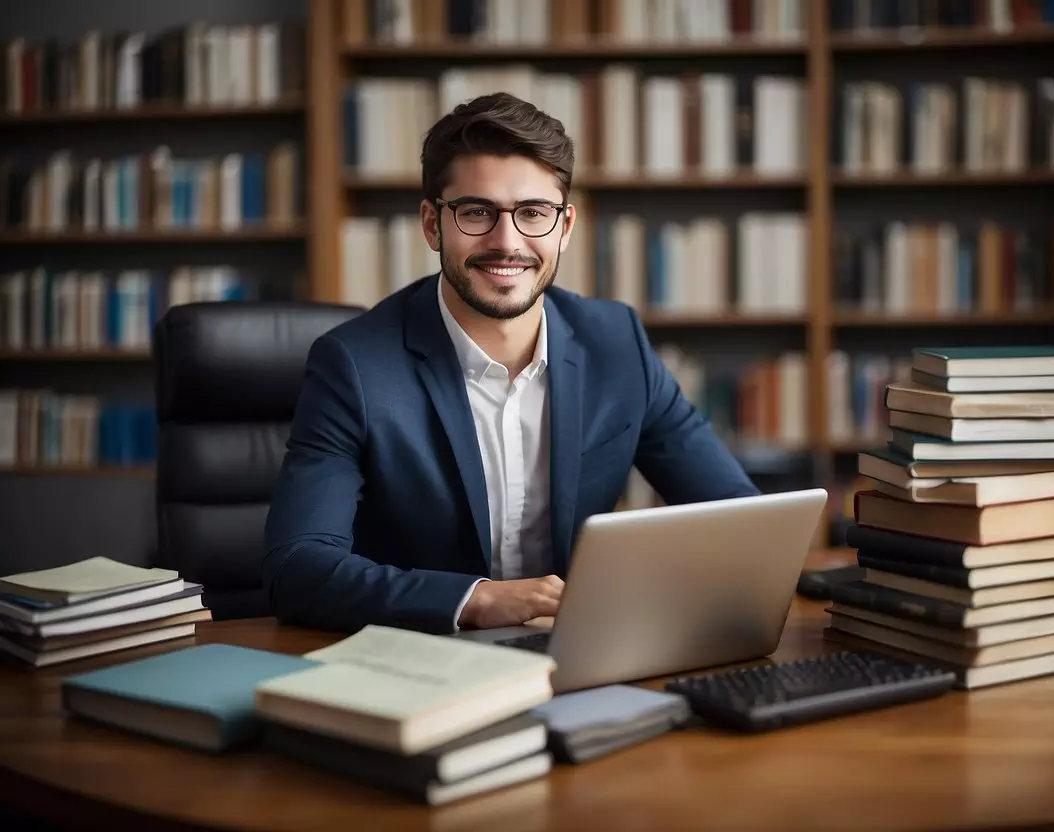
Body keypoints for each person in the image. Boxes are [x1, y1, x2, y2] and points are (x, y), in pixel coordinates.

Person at [262, 92, 760, 635]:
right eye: (476, 212)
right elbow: (298, 567)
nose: (507, 242)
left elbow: (740, 521)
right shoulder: (354, 366)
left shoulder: (618, 344)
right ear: (433, 225)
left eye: (534, 213)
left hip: (575, 655)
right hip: (423, 661)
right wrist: (474, 600)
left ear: (565, 226)